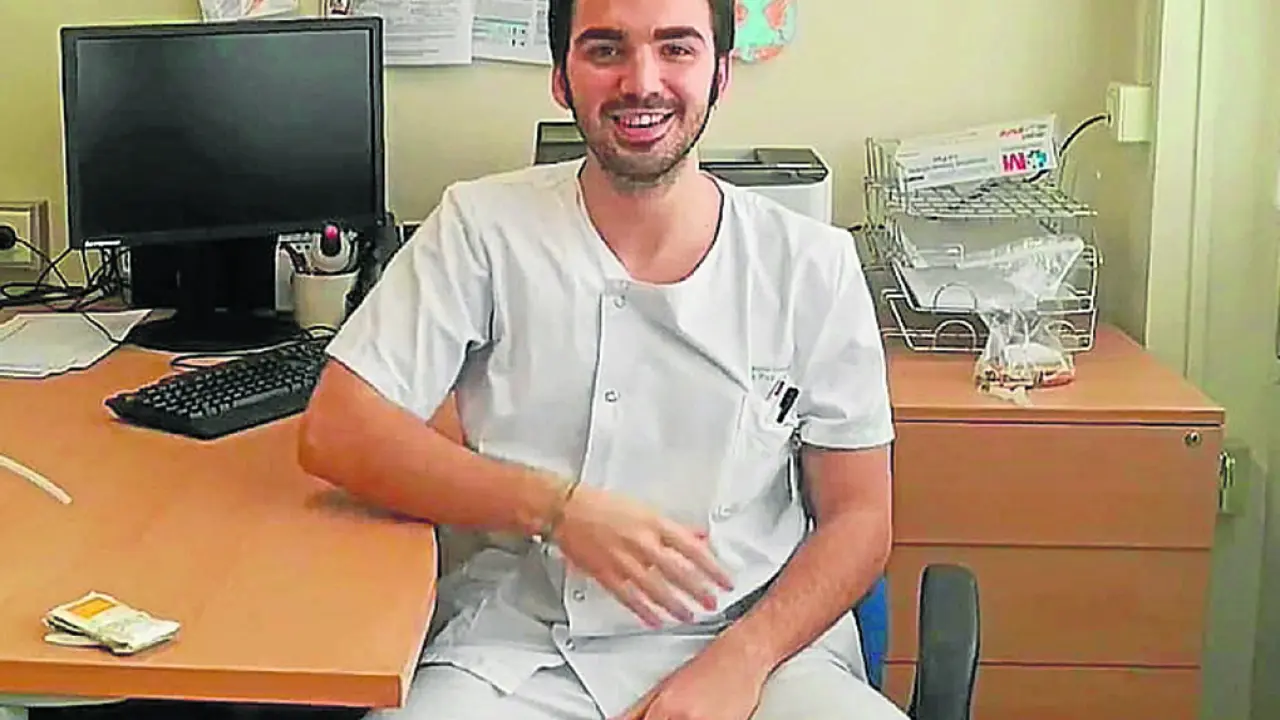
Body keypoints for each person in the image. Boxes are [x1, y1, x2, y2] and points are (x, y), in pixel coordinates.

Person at [297, 0, 904, 718]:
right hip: (524, 646)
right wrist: (555, 509)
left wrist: (742, 660)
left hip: (760, 649)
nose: (641, 82)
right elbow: (337, 430)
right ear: (561, 77)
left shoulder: (811, 264)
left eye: (676, 49)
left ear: (720, 75)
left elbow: (860, 517)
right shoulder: (482, 228)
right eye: (606, 49)